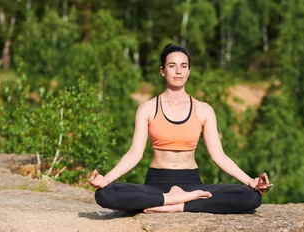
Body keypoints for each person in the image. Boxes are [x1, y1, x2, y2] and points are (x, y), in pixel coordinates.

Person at [88, 44, 272, 214]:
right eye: (172, 66)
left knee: (252, 196)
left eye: (183, 66)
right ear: (162, 70)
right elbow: (134, 154)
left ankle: (178, 205)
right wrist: (106, 179)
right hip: (157, 184)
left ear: (189, 71)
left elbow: (219, 156)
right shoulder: (147, 108)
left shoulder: (203, 110)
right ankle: (169, 199)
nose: (178, 71)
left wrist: (251, 181)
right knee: (104, 194)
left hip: (191, 184)